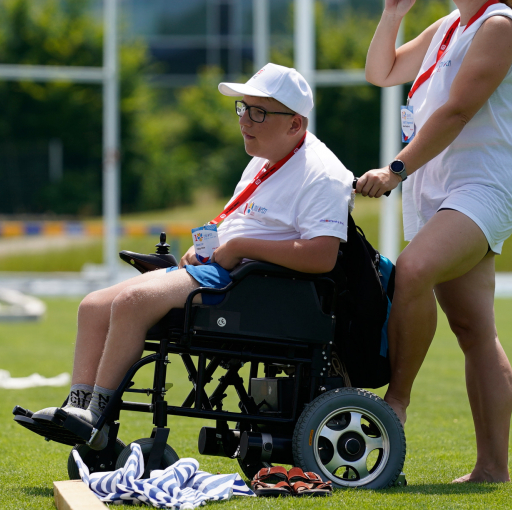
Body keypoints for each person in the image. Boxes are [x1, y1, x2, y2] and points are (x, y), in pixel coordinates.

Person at [24, 64, 353, 441]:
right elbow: (240, 222)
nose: (244, 120)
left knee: (132, 301)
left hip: (253, 287)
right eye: (243, 108)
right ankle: (78, 407)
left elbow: (322, 256)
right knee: (92, 306)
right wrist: (206, 248)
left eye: (259, 112)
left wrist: (238, 248)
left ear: (295, 124)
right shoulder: (264, 159)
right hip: (226, 274)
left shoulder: (322, 173)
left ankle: (95, 415)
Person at [353, 0, 512, 484]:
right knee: (473, 329)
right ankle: (492, 469)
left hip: (485, 184)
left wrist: (394, 170)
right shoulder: (448, 27)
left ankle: (396, 404)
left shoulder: (499, 26)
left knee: (412, 270)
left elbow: (457, 112)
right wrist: (393, 15)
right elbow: (380, 71)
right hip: (440, 186)